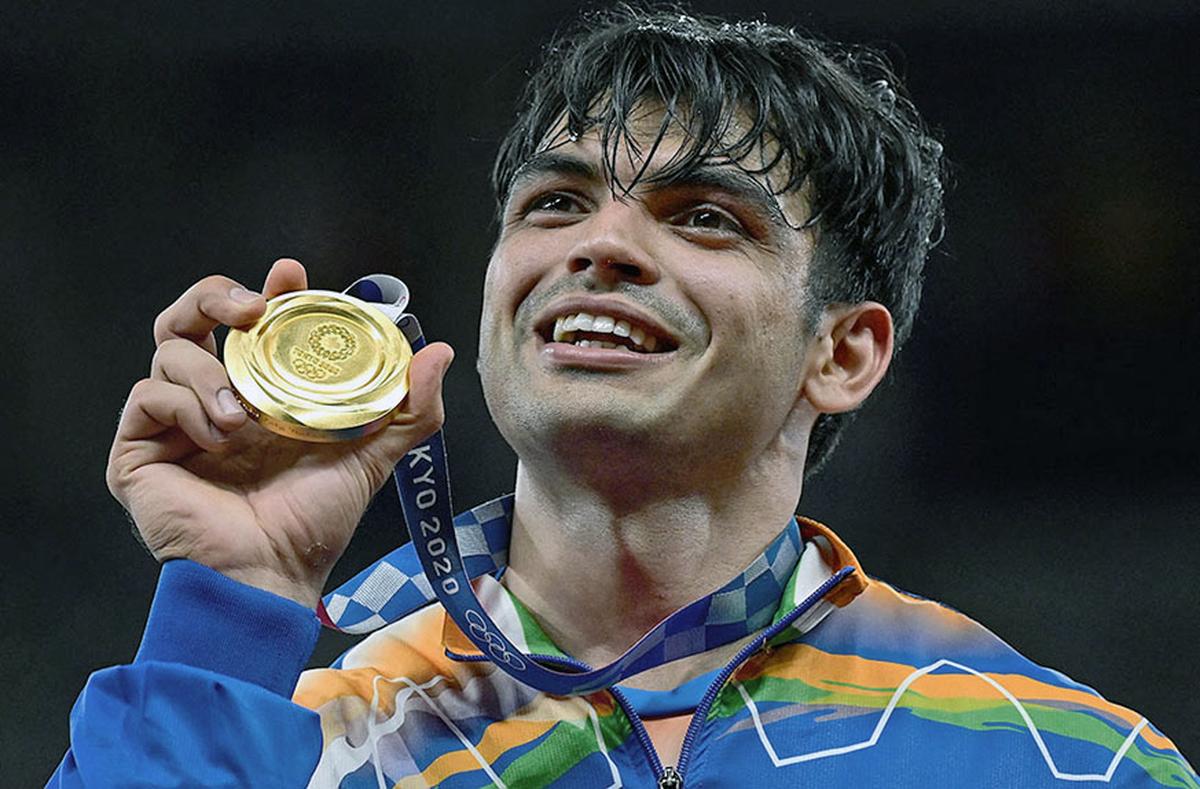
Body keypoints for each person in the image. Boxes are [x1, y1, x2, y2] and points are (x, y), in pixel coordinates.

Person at [52, 7, 1195, 788]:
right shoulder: (289, 721)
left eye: (705, 216)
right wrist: (234, 598)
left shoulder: (1049, 757)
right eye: (554, 203)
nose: (600, 244)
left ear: (842, 354)